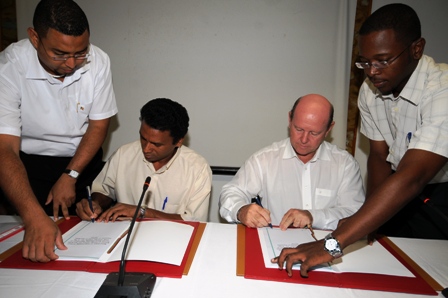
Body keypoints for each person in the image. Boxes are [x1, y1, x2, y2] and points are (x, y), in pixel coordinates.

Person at [274, 3, 448, 278]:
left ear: (417, 48)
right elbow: (379, 156)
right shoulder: (371, 91)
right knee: (388, 272)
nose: (371, 71)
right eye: (365, 61)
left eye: (382, 60)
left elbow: (413, 176)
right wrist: (367, 222)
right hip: (396, 191)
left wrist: (332, 243)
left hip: (439, 197)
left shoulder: (443, 89)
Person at [0, 0, 117, 262]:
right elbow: (4, 149)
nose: (72, 63)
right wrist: (32, 216)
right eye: (60, 54)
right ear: (34, 37)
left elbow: (99, 124)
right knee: (34, 246)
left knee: (87, 246)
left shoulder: (98, 60)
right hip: (28, 168)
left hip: (82, 162)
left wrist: (71, 174)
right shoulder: (9, 66)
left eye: (80, 52)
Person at [219, 94, 365, 230]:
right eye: (298, 129)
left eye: (314, 133)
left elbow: (356, 213)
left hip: (328, 247)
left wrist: (314, 216)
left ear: (329, 129)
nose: (304, 139)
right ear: (289, 119)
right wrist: (241, 210)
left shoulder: (345, 165)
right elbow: (231, 192)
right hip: (277, 245)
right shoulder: (265, 159)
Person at [76, 98, 212, 222]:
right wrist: (95, 204)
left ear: (178, 141)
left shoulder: (197, 168)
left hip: (173, 241)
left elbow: (194, 221)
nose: (146, 149)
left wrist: (143, 212)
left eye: (157, 144)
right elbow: (104, 191)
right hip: (123, 236)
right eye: (143, 138)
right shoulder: (124, 154)